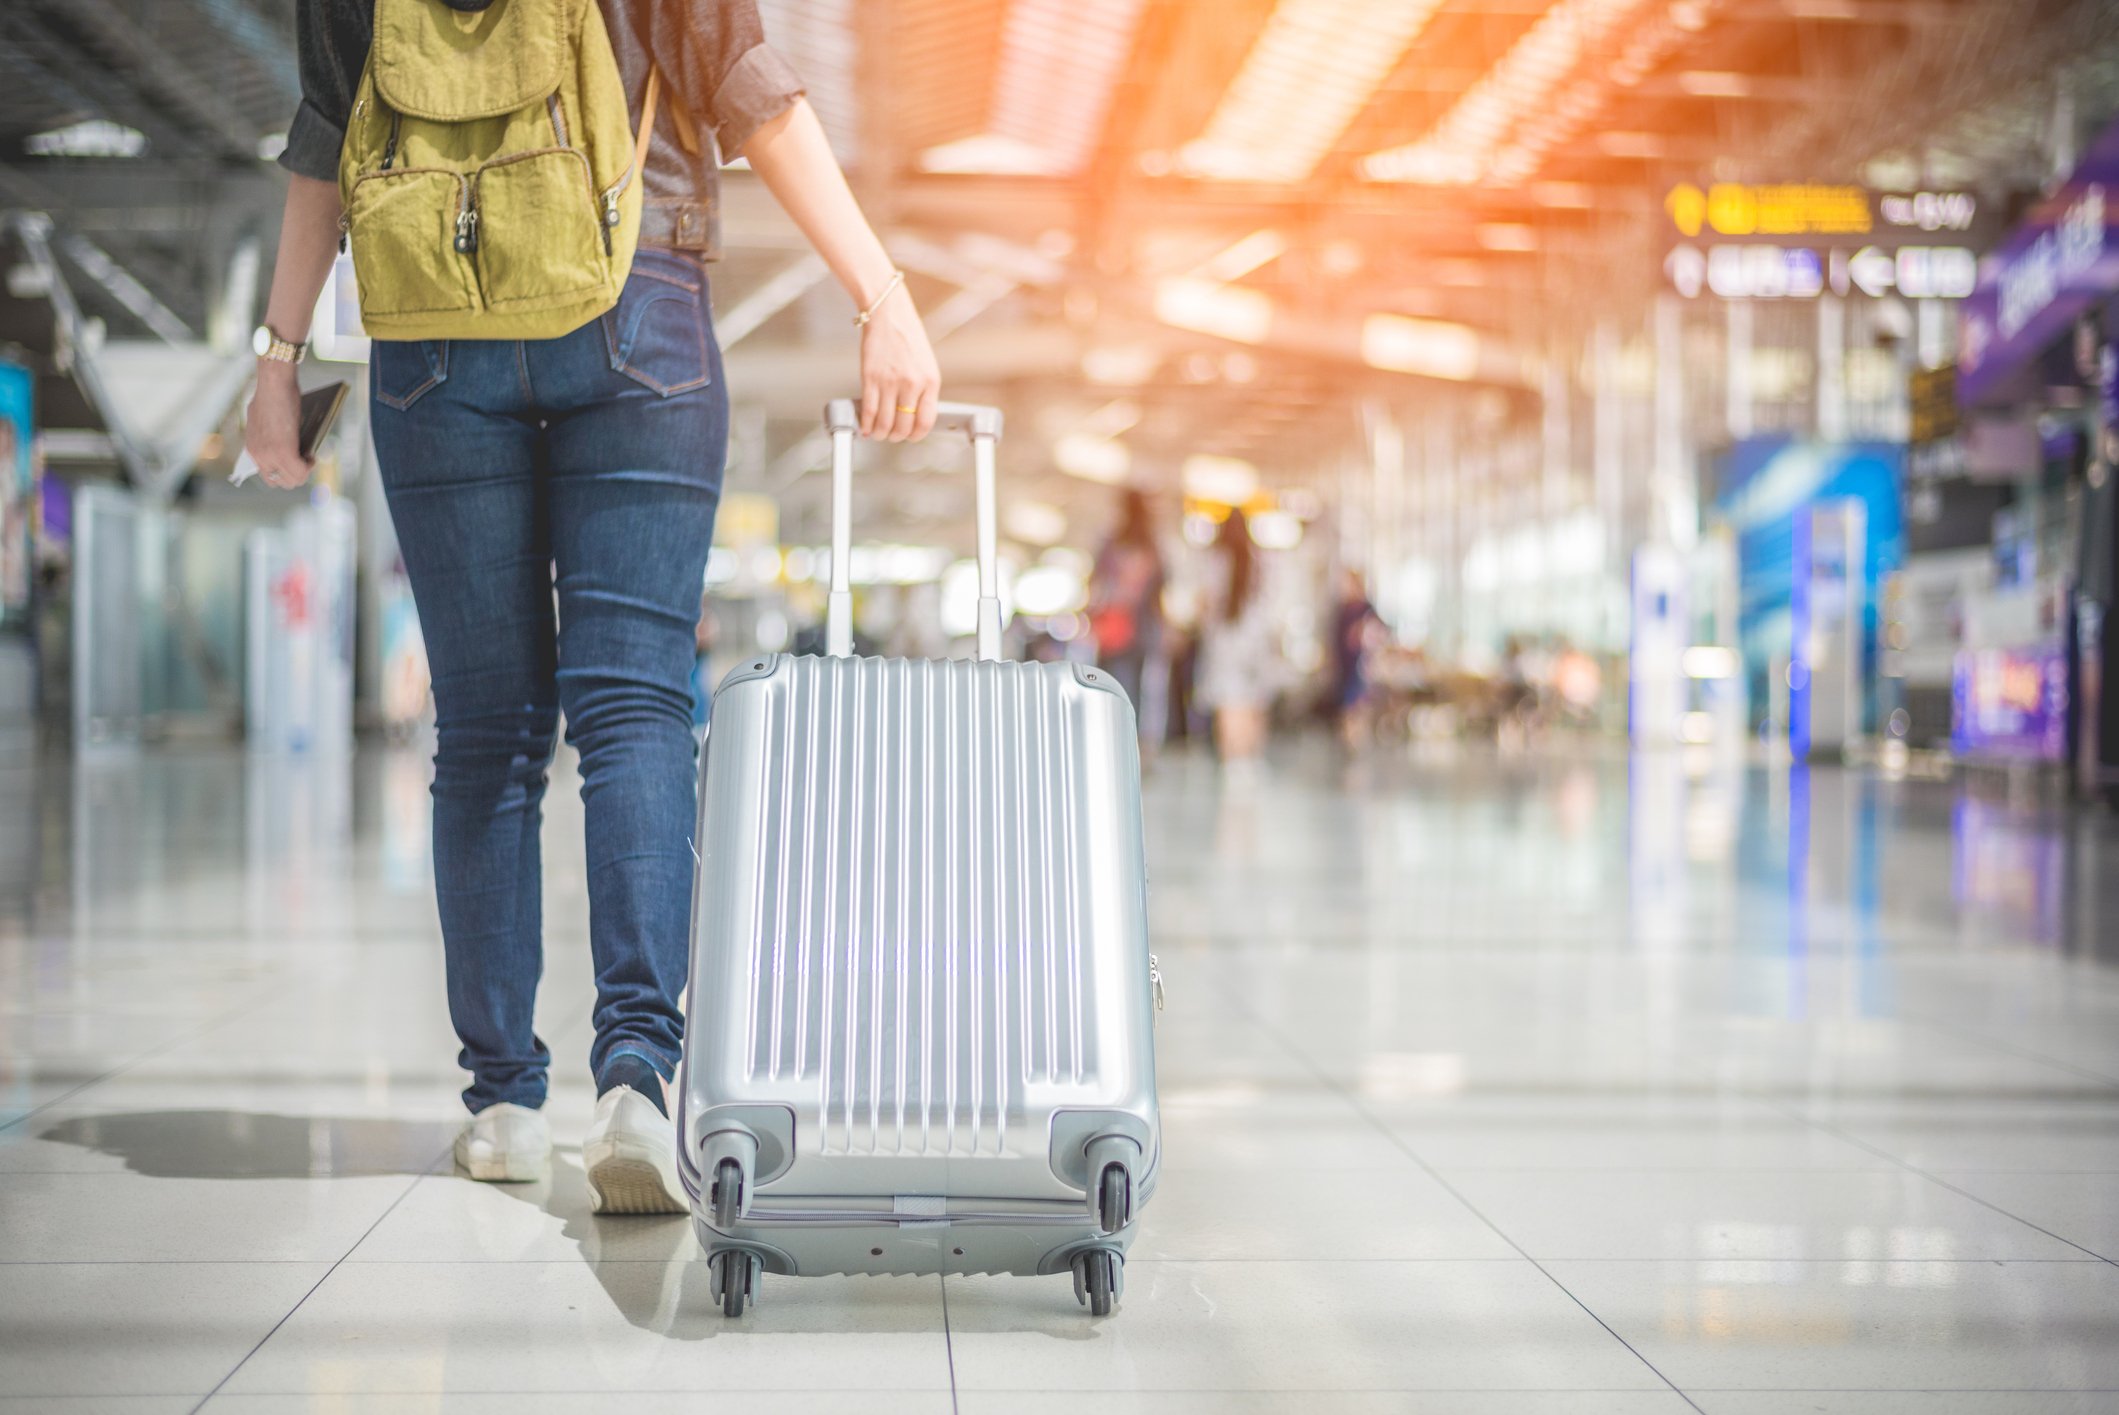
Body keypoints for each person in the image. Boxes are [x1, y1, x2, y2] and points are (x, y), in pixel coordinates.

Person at [242, 0, 941, 1213]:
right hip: (634, 288)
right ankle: (635, 1079)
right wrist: (882, 293)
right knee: (632, 708)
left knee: (486, 733)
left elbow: (326, 127)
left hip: (434, 328)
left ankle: (506, 1101)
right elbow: (748, 86)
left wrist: (277, 355)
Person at [1193, 509, 1275, 764]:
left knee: (1228, 700)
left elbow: (1205, 600)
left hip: (1224, 638)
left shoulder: (1215, 559)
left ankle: (1231, 756)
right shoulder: (1260, 559)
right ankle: (1250, 756)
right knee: (1252, 698)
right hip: (1255, 636)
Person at [1086, 489, 1165, 724]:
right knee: (1136, 688)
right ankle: (1132, 743)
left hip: (1113, 625)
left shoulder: (1112, 542)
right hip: (1143, 627)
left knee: (1109, 685)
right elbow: (1161, 586)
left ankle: (1110, 734)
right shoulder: (1152, 545)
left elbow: (1095, 582)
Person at [1329, 567, 1382, 749]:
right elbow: (1334, 638)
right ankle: (1348, 737)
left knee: (1358, 701)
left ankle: (1357, 737)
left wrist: (1363, 634)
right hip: (1344, 664)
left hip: (1360, 664)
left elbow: (1378, 631)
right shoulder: (1342, 610)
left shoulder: (1366, 609)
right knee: (1346, 702)